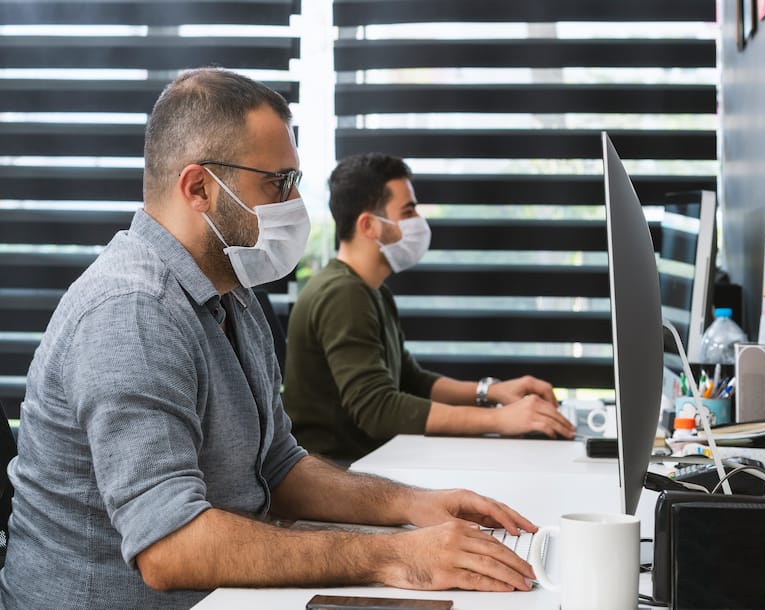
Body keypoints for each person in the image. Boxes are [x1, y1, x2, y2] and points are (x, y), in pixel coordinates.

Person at [0, 69, 539, 609]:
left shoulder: (231, 291)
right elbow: (170, 547)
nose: (295, 203)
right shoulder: (132, 312)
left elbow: (278, 467)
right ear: (198, 188)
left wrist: (415, 505)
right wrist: (393, 557)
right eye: (278, 182)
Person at [282, 153, 575, 463]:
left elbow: (411, 381)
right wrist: (501, 420)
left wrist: (491, 392)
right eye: (408, 211)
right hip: (340, 476)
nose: (418, 222)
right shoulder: (343, 294)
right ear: (369, 225)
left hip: (369, 465)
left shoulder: (370, 292)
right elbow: (378, 409)